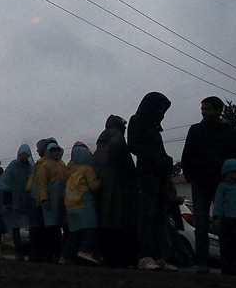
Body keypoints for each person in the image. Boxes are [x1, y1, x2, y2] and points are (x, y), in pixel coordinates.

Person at [182, 96, 236, 273]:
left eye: (207, 109)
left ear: (218, 110)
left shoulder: (228, 132)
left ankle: (226, 263)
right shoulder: (198, 130)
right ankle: (204, 262)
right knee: (202, 224)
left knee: (224, 223)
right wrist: (191, 175)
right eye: (203, 109)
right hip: (203, 182)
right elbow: (187, 155)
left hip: (220, 184)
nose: (204, 112)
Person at [128, 92, 177, 271]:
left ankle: (159, 256)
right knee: (147, 216)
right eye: (160, 108)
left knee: (158, 216)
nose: (162, 112)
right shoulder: (137, 121)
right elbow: (133, 145)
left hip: (159, 176)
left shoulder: (152, 125)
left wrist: (165, 161)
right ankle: (144, 256)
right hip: (146, 175)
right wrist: (159, 159)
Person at [94, 115, 138, 267]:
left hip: (103, 185)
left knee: (107, 221)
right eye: (123, 126)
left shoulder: (102, 139)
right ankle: (120, 258)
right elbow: (121, 154)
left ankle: (108, 256)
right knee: (119, 220)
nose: (125, 129)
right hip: (118, 186)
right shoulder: (116, 135)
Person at [60, 143, 102, 265]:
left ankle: (64, 256)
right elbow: (94, 187)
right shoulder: (87, 169)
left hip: (70, 207)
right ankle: (85, 251)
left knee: (74, 233)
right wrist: (101, 179)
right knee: (91, 229)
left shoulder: (72, 172)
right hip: (84, 205)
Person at [0, 144, 36, 260]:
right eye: (22, 154)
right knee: (16, 227)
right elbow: (6, 183)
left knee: (31, 226)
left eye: (26, 154)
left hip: (29, 201)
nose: (24, 156)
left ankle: (32, 252)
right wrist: (7, 201)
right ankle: (18, 252)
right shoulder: (14, 165)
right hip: (15, 201)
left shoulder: (31, 167)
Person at [34, 141, 68, 262]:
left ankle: (58, 253)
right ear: (49, 152)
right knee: (51, 228)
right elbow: (41, 184)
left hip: (61, 201)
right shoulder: (44, 166)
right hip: (50, 201)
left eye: (58, 150)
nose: (57, 152)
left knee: (59, 227)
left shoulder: (63, 165)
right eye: (54, 150)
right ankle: (50, 253)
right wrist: (44, 199)